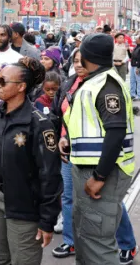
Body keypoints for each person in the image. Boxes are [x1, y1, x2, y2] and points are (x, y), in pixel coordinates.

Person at [0, 57, 62, 265]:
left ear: (21, 87)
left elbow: (50, 175)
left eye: (3, 81)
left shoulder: (40, 124)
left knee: (24, 260)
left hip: (24, 202)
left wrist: (47, 220)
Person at [51, 49, 138, 263]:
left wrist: (99, 176)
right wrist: (67, 138)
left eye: (83, 59)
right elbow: (74, 118)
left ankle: (127, 244)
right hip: (79, 161)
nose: (79, 64)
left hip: (100, 169)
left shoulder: (106, 84)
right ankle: (72, 242)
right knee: (86, 234)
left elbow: (115, 132)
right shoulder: (80, 82)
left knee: (99, 243)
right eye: (75, 60)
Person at [130, 36, 140, 100]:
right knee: (132, 80)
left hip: (137, 66)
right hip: (133, 65)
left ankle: (139, 95)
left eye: (136, 39)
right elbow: (131, 56)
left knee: (138, 81)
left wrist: (138, 67)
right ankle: (132, 94)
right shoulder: (136, 47)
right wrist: (128, 50)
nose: (135, 40)